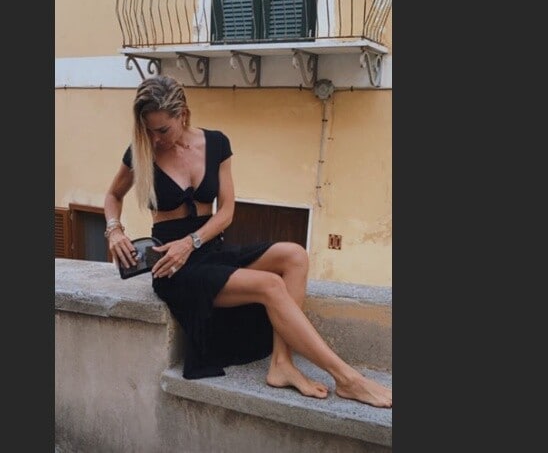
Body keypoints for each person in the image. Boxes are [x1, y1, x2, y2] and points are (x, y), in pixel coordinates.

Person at [103, 75, 391, 408]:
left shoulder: (216, 144)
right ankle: (347, 379)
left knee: (295, 256)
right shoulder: (141, 152)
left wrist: (191, 242)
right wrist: (114, 229)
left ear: (182, 113)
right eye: (148, 130)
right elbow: (113, 196)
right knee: (270, 285)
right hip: (174, 267)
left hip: (208, 247)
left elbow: (226, 211)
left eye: (162, 130)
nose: (155, 138)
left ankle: (281, 363)